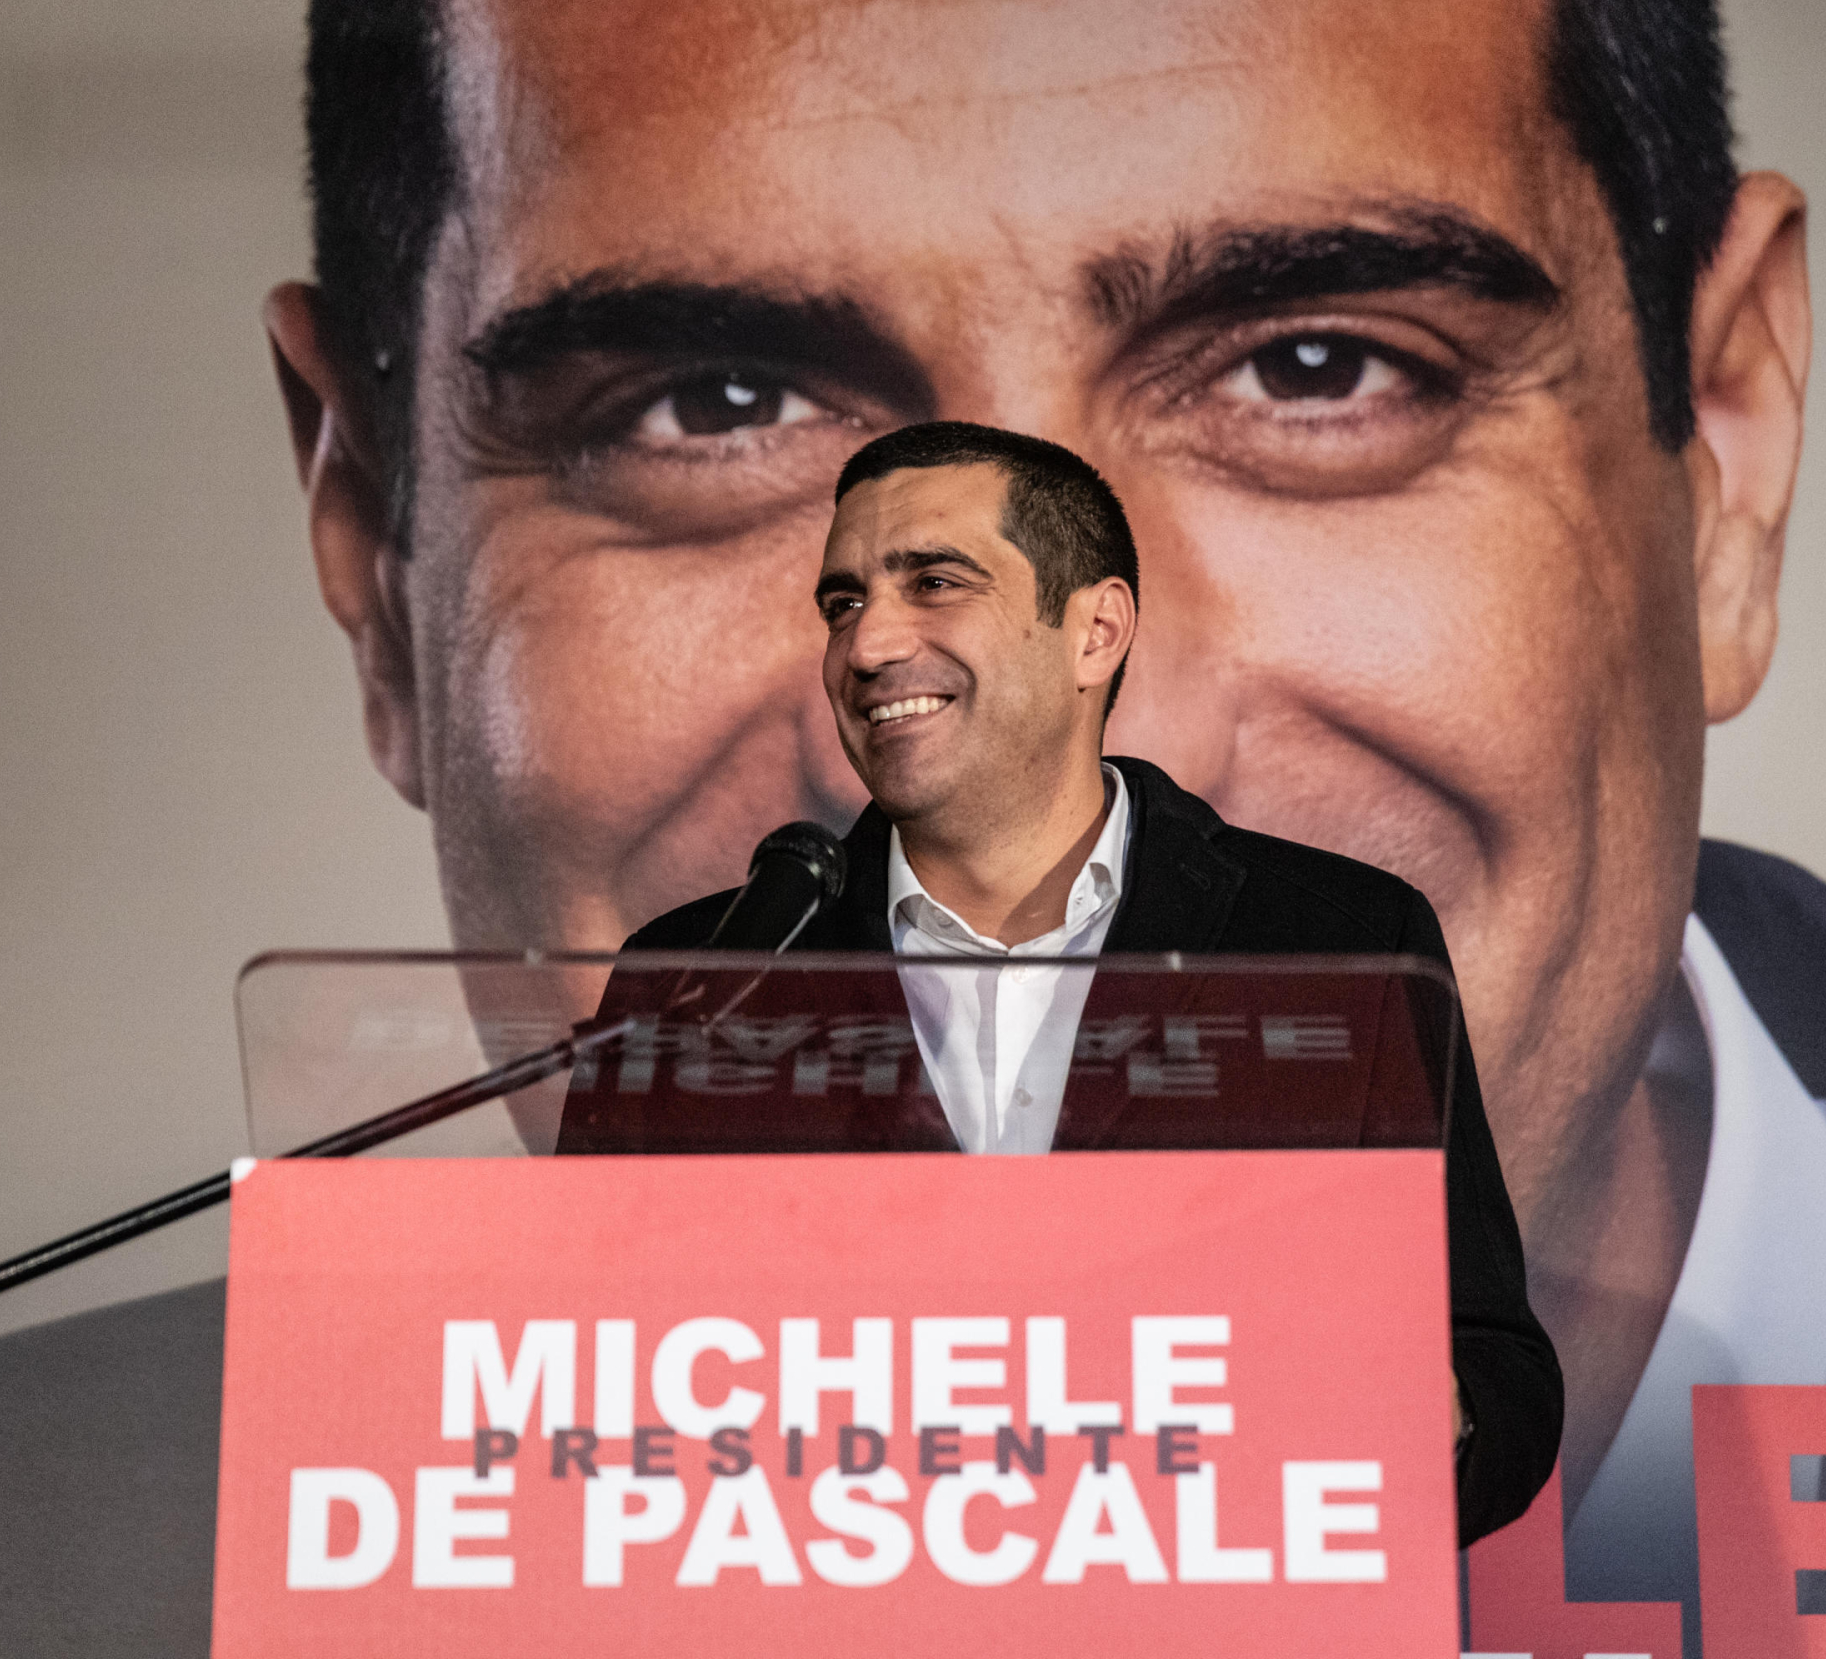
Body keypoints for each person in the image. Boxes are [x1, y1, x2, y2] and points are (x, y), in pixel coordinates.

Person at [0, 0, 1826, 1654]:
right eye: (710, 407)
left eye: (1319, 361)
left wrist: (1434, 1443)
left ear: (1718, 460)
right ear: (373, 550)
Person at [585, 419, 1560, 1544]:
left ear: (1095, 630)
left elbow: (1497, 1376)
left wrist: (1386, 1423)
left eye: (933, 583)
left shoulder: (1336, 940)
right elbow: (595, 1383)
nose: (864, 647)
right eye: (843, 603)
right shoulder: (709, 977)